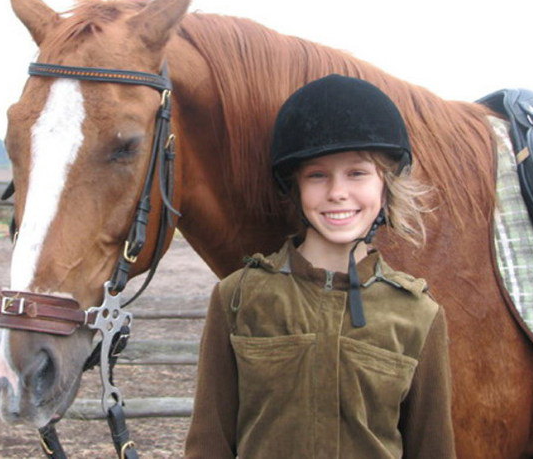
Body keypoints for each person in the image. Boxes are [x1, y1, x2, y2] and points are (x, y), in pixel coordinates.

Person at [184, 74, 456, 458]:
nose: (337, 192)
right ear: (295, 187)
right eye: (317, 175)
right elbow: (208, 443)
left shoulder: (418, 314)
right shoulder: (239, 297)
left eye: (357, 172)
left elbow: (433, 449)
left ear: (385, 183)